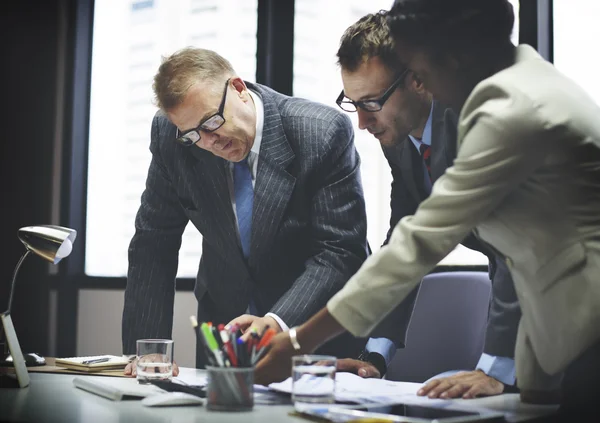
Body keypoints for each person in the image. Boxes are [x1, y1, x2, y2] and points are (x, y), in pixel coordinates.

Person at [255, 0, 600, 419]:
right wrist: (375, 355)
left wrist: (298, 342)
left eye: (421, 68)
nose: (424, 83)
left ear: (451, 56)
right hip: (554, 325)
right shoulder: (515, 83)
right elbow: (411, 234)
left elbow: (422, 242)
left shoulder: (511, 112)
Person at [121, 47, 370, 374]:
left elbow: (339, 251)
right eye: (193, 135)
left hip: (310, 330)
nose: (209, 142)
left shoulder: (321, 132)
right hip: (225, 330)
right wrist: (148, 348)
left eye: (212, 122)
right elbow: (153, 241)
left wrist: (277, 321)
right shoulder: (172, 136)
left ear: (238, 89)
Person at [333, 10, 521, 398]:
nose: (362, 124)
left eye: (371, 102)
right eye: (353, 103)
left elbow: (515, 248)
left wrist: (495, 368)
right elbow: (406, 244)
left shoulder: (480, 120)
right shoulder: (399, 140)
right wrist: (375, 356)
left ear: (417, 80)